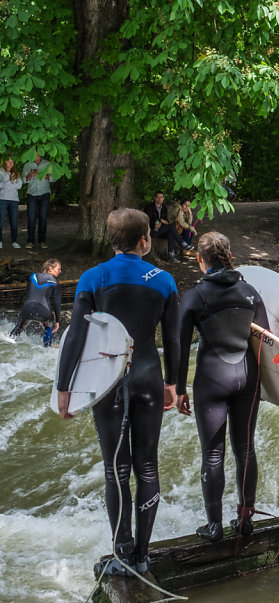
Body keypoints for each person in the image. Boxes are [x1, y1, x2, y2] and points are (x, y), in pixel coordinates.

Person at [56, 208, 180, 577]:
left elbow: (75, 336)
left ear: (112, 240)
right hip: (148, 380)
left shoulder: (92, 278)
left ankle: (122, 554)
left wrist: (64, 388)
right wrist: (174, 383)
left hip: (107, 383)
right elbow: (173, 339)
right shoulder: (165, 280)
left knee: (116, 470)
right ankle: (142, 555)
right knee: (147, 467)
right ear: (145, 239)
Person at [174, 232, 268, 542]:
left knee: (212, 455)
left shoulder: (195, 296)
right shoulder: (251, 292)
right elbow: (265, 339)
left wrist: (178, 388)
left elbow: (179, 345)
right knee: (245, 449)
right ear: (229, 255)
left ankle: (213, 526)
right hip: (248, 377)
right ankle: (245, 521)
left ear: (200, 260)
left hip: (212, 380)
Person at [9, 258, 61, 346]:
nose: (60, 271)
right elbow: (57, 303)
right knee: (49, 326)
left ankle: (9, 341)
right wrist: (57, 321)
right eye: (58, 269)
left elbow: (28, 294)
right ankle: (47, 348)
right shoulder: (55, 282)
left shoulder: (32, 276)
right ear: (50, 268)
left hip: (27, 309)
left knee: (18, 328)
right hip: (44, 311)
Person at [23, 151, 56, 249]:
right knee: (31, 219)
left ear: (40, 154)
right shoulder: (27, 165)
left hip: (44, 193)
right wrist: (30, 174)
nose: (36, 156)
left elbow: (54, 178)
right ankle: (30, 241)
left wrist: (44, 175)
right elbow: (24, 180)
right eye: (34, 154)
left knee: (43, 218)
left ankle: (42, 241)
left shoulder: (48, 164)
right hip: (31, 194)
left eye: (37, 154)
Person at [142, 191, 188, 262]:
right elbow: (146, 220)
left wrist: (163, 222)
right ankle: (182, 243)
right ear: (154, 198)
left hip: (161, 230)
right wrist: (155, 224)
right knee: (171, 227)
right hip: (151, 230)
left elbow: (165, 221)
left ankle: (171, 256)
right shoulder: (149, 208)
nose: (159, 199)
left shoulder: (164, 208)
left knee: (171, 234)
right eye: (158, 197)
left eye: (161, 197)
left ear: (163, 198)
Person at [0, 157, 23, 249]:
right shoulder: (0, 172)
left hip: (14, 200)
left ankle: (14, 242)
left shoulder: (16, 173)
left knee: (13, 222)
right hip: (2, 199)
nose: (10, 163)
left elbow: (19, 185)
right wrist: (10, 180)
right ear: (4, 162)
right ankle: (0, 241)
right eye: (9, 161)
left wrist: (9, 183)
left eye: (12, 161)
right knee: (0, 222)